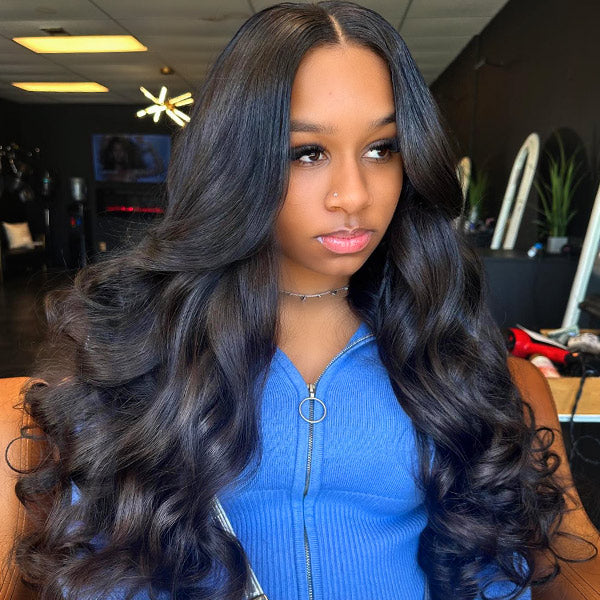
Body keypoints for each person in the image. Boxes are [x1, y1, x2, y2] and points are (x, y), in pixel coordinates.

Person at [10, 2, 595, 599]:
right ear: (239, 161)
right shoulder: (143, 349)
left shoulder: (439, 347)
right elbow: (92, 560)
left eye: (381, 149)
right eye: (307, 152)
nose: (353, 195)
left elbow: (510, 551)